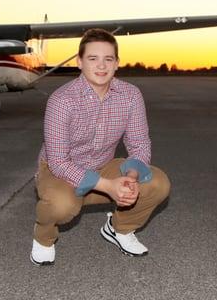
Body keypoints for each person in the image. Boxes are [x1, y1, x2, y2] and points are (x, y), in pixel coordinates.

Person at [30, 28, 171, 266]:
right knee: (62, 207)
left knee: (157, 183)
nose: (101, 66)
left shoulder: (130, 95)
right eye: (93, 58)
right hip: (60, 171)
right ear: (79, 62)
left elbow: (139, 144)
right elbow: (58, 161)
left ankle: (120, 229)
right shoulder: (62, 100)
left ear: (117, 63)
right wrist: (108, 186)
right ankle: (43, 238)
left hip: (103, 165)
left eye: (108, 59)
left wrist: (131, 179)